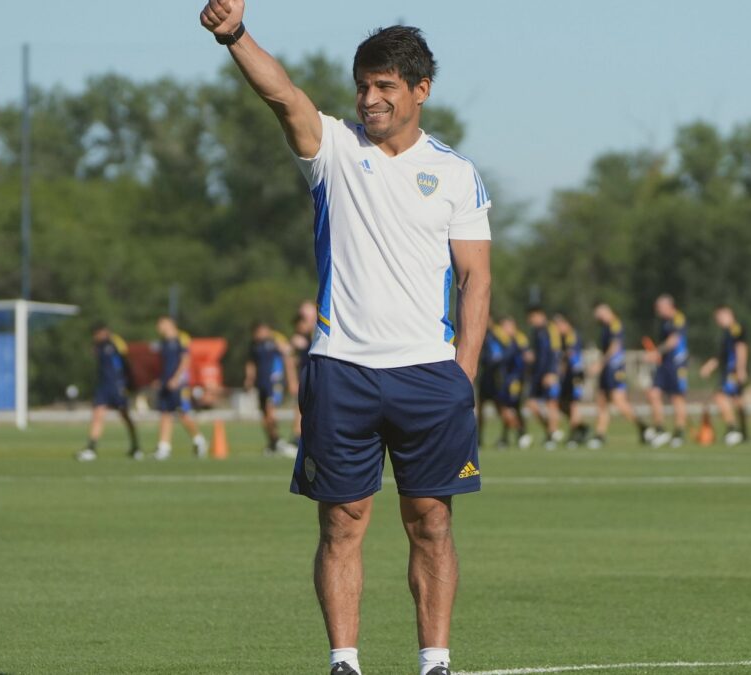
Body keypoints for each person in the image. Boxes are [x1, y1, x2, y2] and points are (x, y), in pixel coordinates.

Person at [201, 7, 492, 674]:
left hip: (429, 376)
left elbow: (476, 278)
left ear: (420, 90)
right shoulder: (333, 148)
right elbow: (283, 95)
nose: (370, 99)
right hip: (342, 370)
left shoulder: (456, 173)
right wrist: (234, 36)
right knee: (342, 521)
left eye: (385, 86)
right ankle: (344, 661)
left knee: (432, 522)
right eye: (363, 86)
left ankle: (435, 661)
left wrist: (464, 373)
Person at [77, 322, 141, 461]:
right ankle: (91, 448)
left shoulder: (116, 342)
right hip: (104, 386)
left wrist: (129, 383)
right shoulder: (98, 346)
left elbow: (126, 362)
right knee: (98, 414)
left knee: (125, 415)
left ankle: (136, 446)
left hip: (117, 386)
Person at [589, 303, 646, 449]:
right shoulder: (605, 327)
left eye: (598, 314)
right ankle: (600, 435)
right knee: (601, 400)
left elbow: (615, 347)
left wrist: (600, 364)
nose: (597, 317)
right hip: (606, 368)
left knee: (618, 401)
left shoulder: (615, 324)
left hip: (615, 368)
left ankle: (643, 427)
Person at [152, 316, 208, 460]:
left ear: (170, 324)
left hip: (179, 384)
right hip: (166, 383)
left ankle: (199, 440)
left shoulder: (181, 338)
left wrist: (177, 379)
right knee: (165, 413)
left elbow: (185, 360)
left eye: (161, 323)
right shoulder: (163, 342)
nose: (159, 327)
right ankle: (164, 447)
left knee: (182, 413)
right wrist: (160, 379)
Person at [244, 321, 298, 458]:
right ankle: (273, 441)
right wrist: (249, 378)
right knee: (264, 416)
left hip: (274, 382)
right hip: (261, 383)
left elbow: (288, 356)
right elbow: (251, 363)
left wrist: (291, 379)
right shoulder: (254, 345)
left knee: (270, 411)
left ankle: (279, 441)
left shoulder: (275, 341)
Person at [699, 305, 749, 446]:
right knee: (737, 400)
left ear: (729, 314)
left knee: (720, 396)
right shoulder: (726, 333)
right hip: (729, 370)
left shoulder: (735, 329)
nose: (718, 320)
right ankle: (743, 432)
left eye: (720, 317)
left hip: (732, 371)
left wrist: (741, 368)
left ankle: (733, 429)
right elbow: (721, 355)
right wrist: (709, 366)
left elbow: (741, 348)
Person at [645, 294, 690, 447]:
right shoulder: (664, 322)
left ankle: (679, 433)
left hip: (677, 364)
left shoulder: (678, 318)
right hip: (664, 364)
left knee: (677, 398)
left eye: (659, 307)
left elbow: (673, 340)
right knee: (653, 394)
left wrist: (656, 352)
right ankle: (660, 429)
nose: (657, 311)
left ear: (669, 306)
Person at [525, 305, 563, 450]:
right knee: (531, 403)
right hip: (537, 373)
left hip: (549, 372)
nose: (531, 321)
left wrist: (552, 372)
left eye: (532, 317)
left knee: (551, 404)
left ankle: (551, 436)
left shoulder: (551, 329)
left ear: (540, 315)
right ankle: (550, 430)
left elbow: (556, 351)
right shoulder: (536, 331)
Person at [493, 316, 530, 449]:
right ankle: (508, 436)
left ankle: (522, 433)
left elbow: (523, 358)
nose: (505, 329)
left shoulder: (518, 340)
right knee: (509, 408)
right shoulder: (505, 340)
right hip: (506, 380)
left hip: (515, 380)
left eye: (507, 326)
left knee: (511, 407)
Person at [553, 313, 590, 447]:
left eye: (558, 325)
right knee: (562, 404)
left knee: (573, 404)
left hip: (575, 374)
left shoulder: (571, 336)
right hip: (568, 376)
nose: (557, 329)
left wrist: (560, 368)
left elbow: (570, 356)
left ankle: (574, 435)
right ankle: (582, 427)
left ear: (566, 324)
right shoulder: (562, 338)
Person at [476, 321, 508, 447]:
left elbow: (498, 356)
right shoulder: (482, 332)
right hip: (486, 377)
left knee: (501, 408)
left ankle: (506, 436)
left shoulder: (496, 334)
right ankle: (479, 438)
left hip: (495, 378)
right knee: (480, 409)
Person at [290, 303, 317, 446]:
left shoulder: (316, 336)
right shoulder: (299, 340)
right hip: (306, 379)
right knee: (301, 407)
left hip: (317, 378)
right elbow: (291, 360)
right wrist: (292, 380)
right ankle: (297, 437)